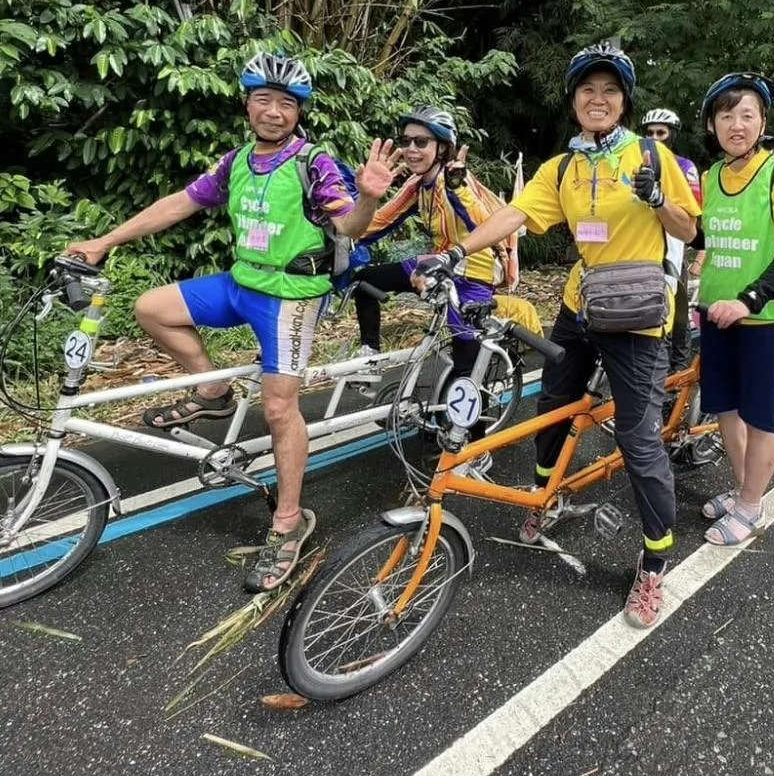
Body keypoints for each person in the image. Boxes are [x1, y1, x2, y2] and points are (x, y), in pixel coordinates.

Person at [67, 51, 399, 593]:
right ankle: (216, 389)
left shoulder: (312, 162)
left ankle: (288, 523)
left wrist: (367, 196)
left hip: (291, 296)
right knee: (152, 308)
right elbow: (178, 204)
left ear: (300, 111)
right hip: (242, 283)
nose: (273, 111)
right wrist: (104, 242)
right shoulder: (236, 162)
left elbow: (350, 226)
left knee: (277, 407)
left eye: (286, 103)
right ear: (247, 103)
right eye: (263, 99)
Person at [414, 44, 699, 629]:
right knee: (553, 404)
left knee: (638, 437)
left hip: (639, 314)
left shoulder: (649, 155)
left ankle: (654, 561)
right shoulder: (563, 168)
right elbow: (515, 216)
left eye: (611, 91)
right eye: (588, 91)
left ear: (623, 103)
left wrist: (657, 197)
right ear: (574, 101)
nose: (599, 99)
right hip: (581, 301)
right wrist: (456, 252)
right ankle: (549, 497)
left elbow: (688, 228)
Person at [694, 73, 774, 547]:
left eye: (747, 115)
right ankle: (746, 489)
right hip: (715, 311)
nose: (736, 124)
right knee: (724, 406)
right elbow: (700, 237)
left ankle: (751, 505)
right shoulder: (711, 177)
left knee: (760, 414)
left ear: (762, 121)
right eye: (726, 115)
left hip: (763, 316)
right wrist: (658, 203)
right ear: (712, 125)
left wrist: (749, 300)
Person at [353, 106, 508, 390]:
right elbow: (378, 222)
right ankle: (369, 359)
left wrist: (459, 189)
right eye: (406, 141)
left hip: (473, 272)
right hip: (435, 264)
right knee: (364, 281)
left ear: (442, 148)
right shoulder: (417, 184)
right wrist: (340, 235)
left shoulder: (455, 179)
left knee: (466, 372)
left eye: (421, 142)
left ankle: (476, 431)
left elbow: (486, 227)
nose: (411, 149)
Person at [642, 108, 700, 373]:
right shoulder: (635, 161)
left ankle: (678, 372)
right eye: (650, 132)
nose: (655, 138)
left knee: (676, 315)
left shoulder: (685, 167)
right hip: (641, 244)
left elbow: (693, 213)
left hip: (673, 245)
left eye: (661, 133)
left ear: (672, 135)